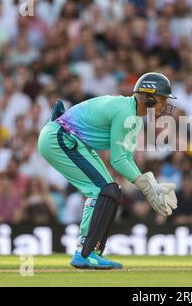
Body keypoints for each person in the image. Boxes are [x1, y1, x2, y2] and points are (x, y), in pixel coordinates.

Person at [38, 72, 178, 269]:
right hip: (60, 138)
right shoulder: (126, 113)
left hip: (71, 140)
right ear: (149, 97)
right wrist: (146, 188)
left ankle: (92, 252)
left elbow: (126, 158)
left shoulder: (135, 118)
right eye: (162, 99)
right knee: (104, 191)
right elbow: (118, 160)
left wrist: (151, 184)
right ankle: (84, 253)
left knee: (111, 192)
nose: (164, 105)